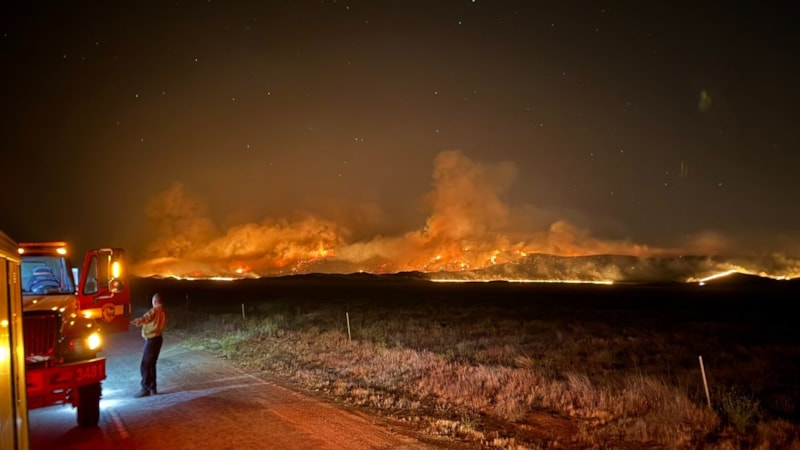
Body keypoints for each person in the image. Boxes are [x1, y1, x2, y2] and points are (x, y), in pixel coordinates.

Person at [131, 293, 168, 398]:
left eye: (153, 302)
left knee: (145, 365)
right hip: (158, 339)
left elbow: (145, 318)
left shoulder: (154, 310)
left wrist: (135, 321)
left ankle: (145, 388)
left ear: (155, 302)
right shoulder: (164, 311)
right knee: (152, 364)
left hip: (151, 340)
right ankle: (153, 387)